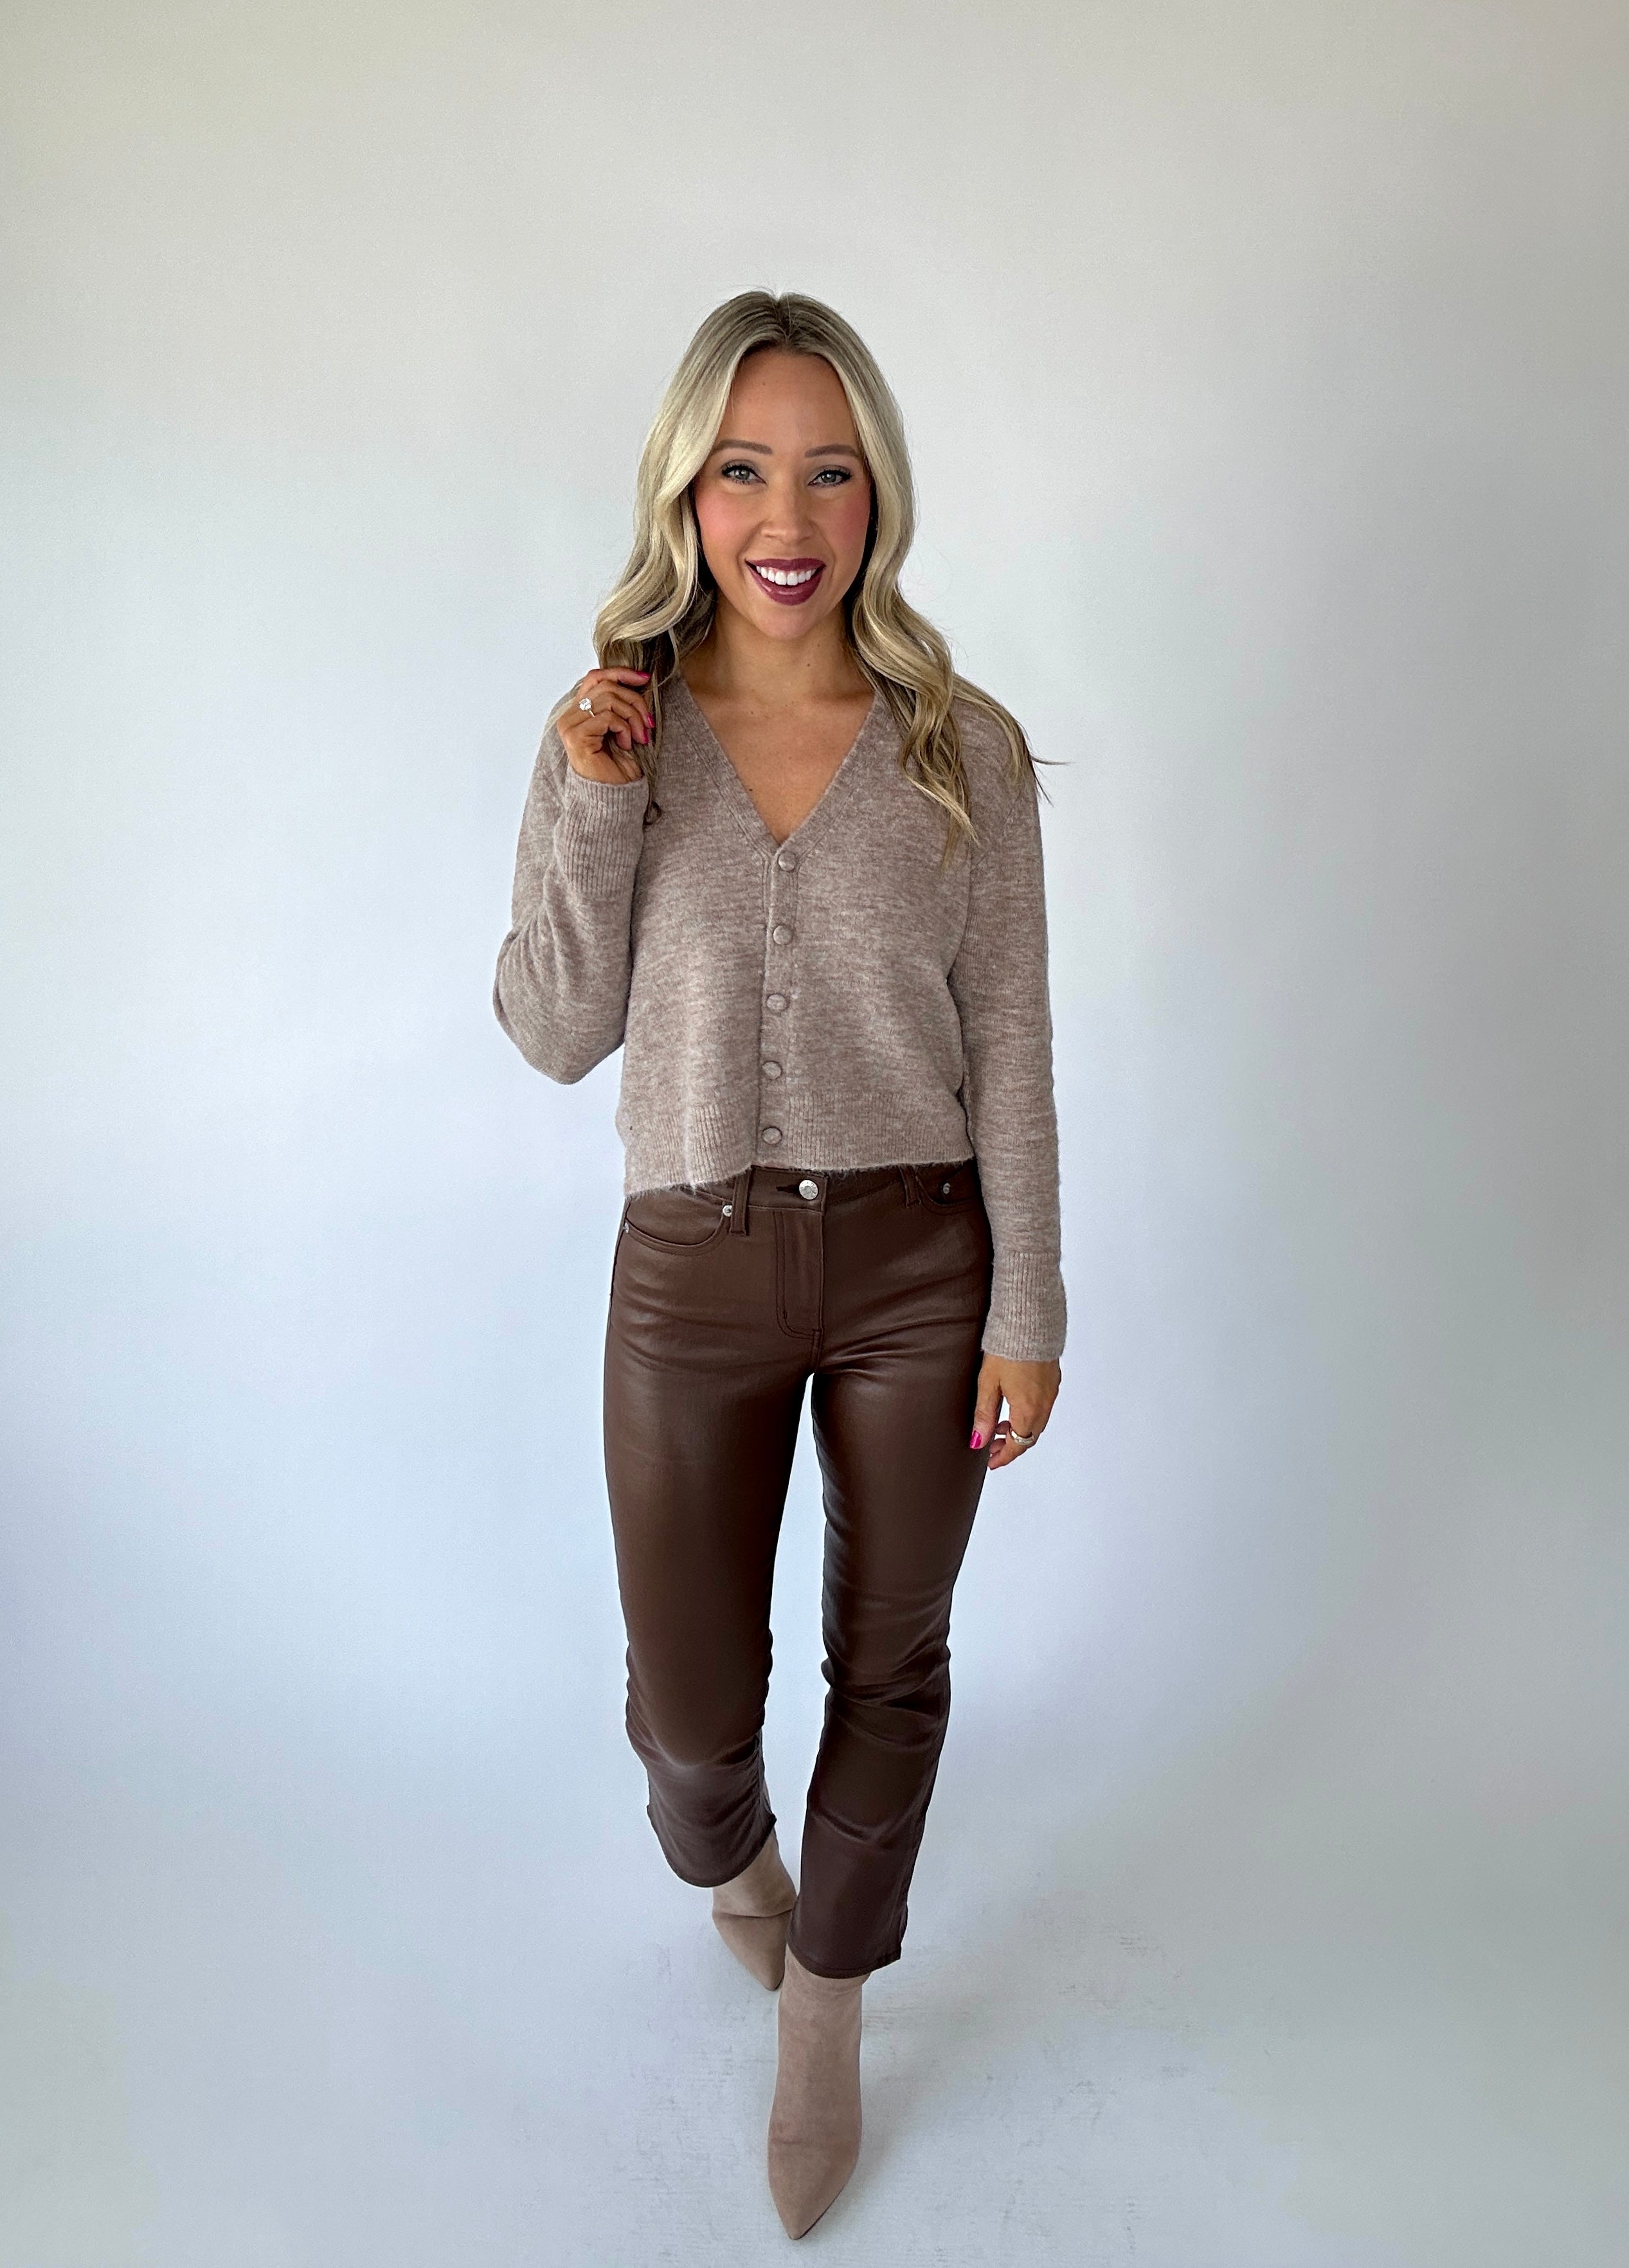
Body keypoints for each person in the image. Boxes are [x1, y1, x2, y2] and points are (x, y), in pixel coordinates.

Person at [492, 290, 1065, 2238]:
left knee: (892, 1665)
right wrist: (592, 805)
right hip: (693, 1263)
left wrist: (1029, 1307)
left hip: (921, 1266)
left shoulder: (964, 748)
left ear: (876, 493)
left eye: (829, 469)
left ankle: (830, 1999)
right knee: (684, 1712)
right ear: (687, 493)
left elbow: (1015, 1049)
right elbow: (552, 1033)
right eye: (743, 470)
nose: (787, 515)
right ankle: (730, 1860)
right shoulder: (619, 734)